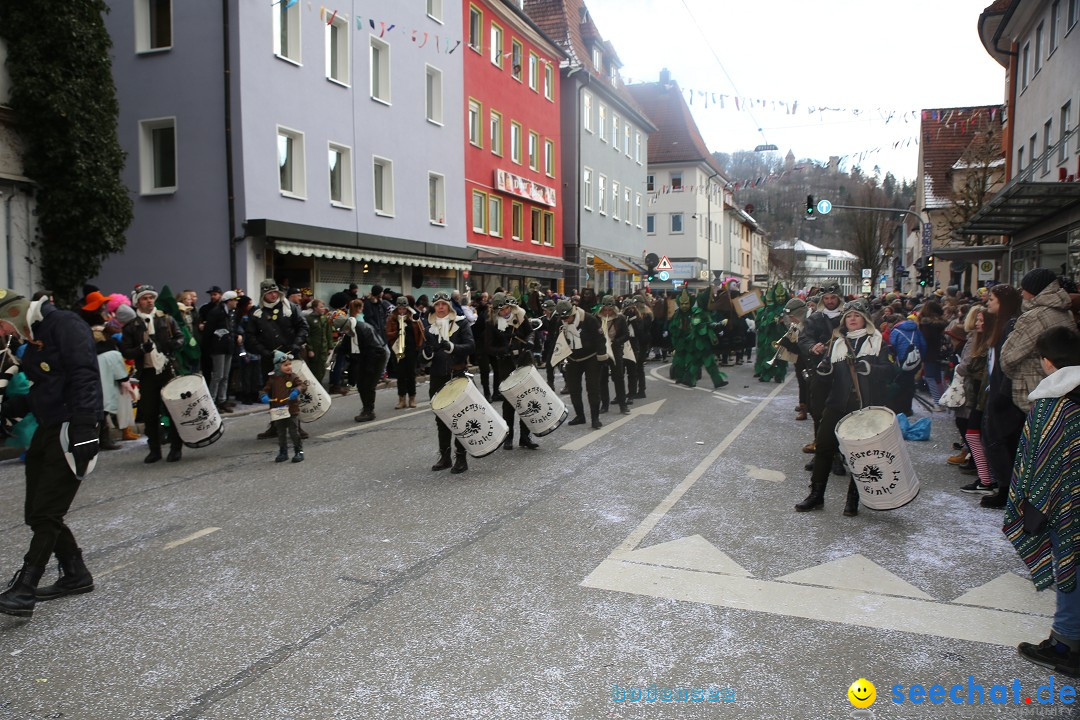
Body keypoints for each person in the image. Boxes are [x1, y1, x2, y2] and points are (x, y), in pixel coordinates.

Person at [0, 290, 102, 618]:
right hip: (48, 427)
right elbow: (45, 385)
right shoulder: (35, 334)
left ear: (14, 312)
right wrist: (12, 407)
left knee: (46, 512)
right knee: (36, 512)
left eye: (0, 324)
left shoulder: (64, 324)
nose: (2, 333)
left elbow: (84, 376)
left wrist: (86, 430)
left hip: (71, 426)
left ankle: (25, 587)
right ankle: (75, 574)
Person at [1004, 325, 1080, 677]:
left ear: (1048, 362)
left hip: (1065, 503)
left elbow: (1039, 459)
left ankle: (1066, 644)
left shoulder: (1053, 401)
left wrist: (1029, 500)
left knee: (1070, 564)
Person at [795, 300, 895, 516]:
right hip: (837, 403)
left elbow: (891, 370)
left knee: (860, 455)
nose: (851, 319)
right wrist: (822, 369)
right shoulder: (836, 343)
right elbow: (827, 379)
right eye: (848, 316)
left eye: (856, 316)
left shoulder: (877, 342)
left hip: (865, 408)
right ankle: (816, 495)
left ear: (865, 320)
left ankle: (853, 500)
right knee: (823, 448)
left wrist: (870, 368)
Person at [120, 284, 186, 463]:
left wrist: (172, 346)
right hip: (147, 373)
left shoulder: (165, 319)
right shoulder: (132, 325)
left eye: (151, 298)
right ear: (138, 302)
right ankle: (154, 449)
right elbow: (126, 351)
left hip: (166, 370)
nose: (149, 301)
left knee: (173, 410)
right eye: (145, 298)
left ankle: (175, 447)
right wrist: (141, 349)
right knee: (150, 413)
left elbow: (180, 337)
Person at [980, 284, 1025, 509]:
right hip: (996, 390)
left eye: (992, 300)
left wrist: (1002, 393)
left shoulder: (1011, 325)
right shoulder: (1002, 325)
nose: (988, 303)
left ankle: (1007, 489)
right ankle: (1004, 487)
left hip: (1003, 396)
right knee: (994, 440)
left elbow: (1009, 364)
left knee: (1001, 443)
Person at [247, 279, 309, 440]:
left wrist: (296, 345)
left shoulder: (291, 308)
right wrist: (265, 352)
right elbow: (251, 337)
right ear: (263, 295)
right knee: (273, 391)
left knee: (293, 389)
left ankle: (296, 426)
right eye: (269, 293)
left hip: (291, 356)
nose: (273, 295)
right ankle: (276, 425)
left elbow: (303, 327)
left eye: (275, 292)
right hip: (270, 358)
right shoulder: (256, 313)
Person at [422, 291, 475, 474]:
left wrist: (452, 347)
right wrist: (426, 352)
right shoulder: (428, 326)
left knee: (459, 417)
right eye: (437, 305)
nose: (441, 308)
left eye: (444, 304)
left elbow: (471, 346)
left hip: (457, 374)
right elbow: (423, 357)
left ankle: (461, 457)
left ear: (449, 306)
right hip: (437, 376)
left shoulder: (461, 322)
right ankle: (444, 457)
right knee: (441, 418)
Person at [486, 292, 540, 450]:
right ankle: (508, 437)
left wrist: (530, 341)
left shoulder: (520, 315)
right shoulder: (492, 322)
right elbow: (488, 347)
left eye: (506, 308)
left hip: (524, 358)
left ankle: (525, 437)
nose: (504, 312)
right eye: (500, 310)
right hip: (506, 362)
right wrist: (504, 350)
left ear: (509, 306)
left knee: (527, 399)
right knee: (509, 400)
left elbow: (531, 332)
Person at [798, 282, 844, 456]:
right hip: (820, 371)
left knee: (842, 411)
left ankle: (840, 452)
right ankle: (821, 449)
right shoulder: (815, 318)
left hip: (843, 373)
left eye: (833, 298)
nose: (830, 301)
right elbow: (804, 339)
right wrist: (812, 347)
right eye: (826, 298)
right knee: (818, 411)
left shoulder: (848, 316)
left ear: (838, 297)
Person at [955, 305, 994, 493]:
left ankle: (986, 479)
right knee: (972, 433)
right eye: (977, 319)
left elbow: (969, 366)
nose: (978, 323)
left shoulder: (989, 344)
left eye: (981, 320)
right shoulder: (977, 339)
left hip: (982, 394)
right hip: (977, 394)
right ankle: (985, 477)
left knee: (975, 433)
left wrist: (961, 368)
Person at [554, 299, 605, 429]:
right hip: (573, 358)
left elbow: (600, 338)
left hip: (591, 357)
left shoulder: (589, 319)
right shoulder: (560, 323)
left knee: (593, 388)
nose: (565, 320)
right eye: (562, 317)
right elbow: (557, 341)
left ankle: (595, 418)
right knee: (574, 389)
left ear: (573, 312)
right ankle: (580, 416)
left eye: (567, 317)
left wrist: (601, 357)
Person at [341, 299, 390, 422]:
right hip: (365, 357)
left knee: (368, 385)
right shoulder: (351, 330)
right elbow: (345, 347)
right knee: (362, 385)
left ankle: (369, 411)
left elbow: (376, 348)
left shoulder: (362, 328)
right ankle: (366, 408)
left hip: (376, 356)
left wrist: (370, 366)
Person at [260, 350, 307, 463]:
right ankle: (283, 452)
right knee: (280, 432)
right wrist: (263, 396)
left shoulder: (292, 377)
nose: (289, 367)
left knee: (293, 432)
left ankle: (298, 451)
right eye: (285, 365)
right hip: (278, 410)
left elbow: (302, 385)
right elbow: (264, 390)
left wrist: (297, 390)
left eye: (289, 364)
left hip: (292, 409)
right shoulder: (273, 379)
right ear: (277, 366)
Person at [203, 290, 239, 413]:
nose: (236, 303)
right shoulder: (216, 313)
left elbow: (232, 329)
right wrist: (208, 347)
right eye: (235, 300)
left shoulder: (231, 313)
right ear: (228, 301)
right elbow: (208, 330)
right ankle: (212, 401)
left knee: (225, 375)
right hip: (218, 347)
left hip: (228, 347)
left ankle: (222, 400)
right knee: (217, 376)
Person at [385, 296, 423, 409]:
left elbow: (421, 332)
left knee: (411, 374)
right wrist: (398, 331)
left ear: (407, 308)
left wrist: (418, 346)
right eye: (400, 308)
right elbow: (388, 333)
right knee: (400, 374)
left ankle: (412, 398)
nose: (402, 311)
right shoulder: (392, 318)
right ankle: (401, 399)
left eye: (404, 308)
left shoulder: (414, 318)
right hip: (398, 349)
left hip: (411, 349)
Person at [595, 295, 631, 415]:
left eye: (609, 310)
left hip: (615, 350)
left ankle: (623, 405)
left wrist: (616, 342)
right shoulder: (596, 317)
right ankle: (605, 405)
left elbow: (626, 334)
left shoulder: (620, 318)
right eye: (605, 309)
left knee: (618, 377)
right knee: (602, 378)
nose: (607, 312)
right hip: (602, 350)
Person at [918, 301, 948, 405]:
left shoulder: (926, 325)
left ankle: (937, 402)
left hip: (929, 355)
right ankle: (943, 401)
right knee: (938, 379)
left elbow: (924, 341)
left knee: (930, 378)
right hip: (941, 353)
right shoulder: (941, 324)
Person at [304, 299, 334, 389]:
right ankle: (313, 387)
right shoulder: (309, 319)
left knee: (322, 367)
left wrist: (330, 346)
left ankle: (319, 385)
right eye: (321, 307)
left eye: (323, 306)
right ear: (315, 308)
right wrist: (310, 349)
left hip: (323, 347)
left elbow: (328, 333)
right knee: (314, 368)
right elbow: (307, 335)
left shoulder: (324, 318)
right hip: (314, 347)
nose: (323, 309)